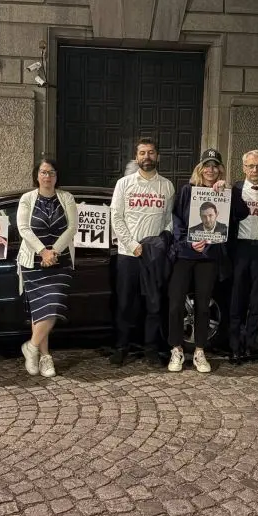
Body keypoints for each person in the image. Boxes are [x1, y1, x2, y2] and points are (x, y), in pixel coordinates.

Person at [110, 137, 175, 366]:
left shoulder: (167, 186)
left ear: (158, 156)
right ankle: (121, 347)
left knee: (154, 305)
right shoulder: (124, 184)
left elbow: (169, 220)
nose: (147, 156)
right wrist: (132, 245)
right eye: (142, 153)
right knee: (125, 304)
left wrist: (162, 242)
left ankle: (151, 349)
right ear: (136, 157)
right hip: (128, 255)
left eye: (151, 152)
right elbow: (116, 217)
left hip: (153, 257)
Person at [166, 149, 229, 373]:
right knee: (175, 303)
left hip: (208, 257)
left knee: (203, 305)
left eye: (214, 166)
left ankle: (200, 351)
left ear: (219, 170)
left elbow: (230, 221)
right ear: (200, 169)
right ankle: (176, 349)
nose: (210, 170)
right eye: (206, 166)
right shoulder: (187, 190)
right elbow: (176, 219)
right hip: (185, 254)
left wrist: (226, 190)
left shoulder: (223, 192)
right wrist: (188, 242)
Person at [17, 158, 78, 377]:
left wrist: (54, 252)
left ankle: (31, 347)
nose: (47, 176)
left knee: (52, 305)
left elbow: (72, 228)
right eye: (43, 172)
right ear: (37, 175)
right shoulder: (27, 199)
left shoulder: (66, 197)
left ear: (56, 176)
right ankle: (44, 357)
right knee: (40, 309)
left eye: (51, 172)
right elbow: (23, 228)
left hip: (60, 261)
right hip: (33, 261)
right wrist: (43, 252)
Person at [228, 149, 258, 364]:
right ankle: (234, 347)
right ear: (244, 168)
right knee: (237, 299)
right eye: (251, 166)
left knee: (257, 300)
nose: (255, 170)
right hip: (241, 249)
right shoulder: (235, 190)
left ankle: (251, 344)